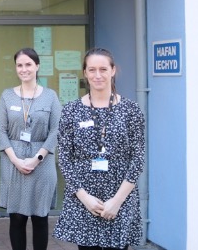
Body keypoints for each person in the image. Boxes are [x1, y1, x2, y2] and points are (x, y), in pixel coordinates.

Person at [53, 48, 146, 250]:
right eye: (92, 69)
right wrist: (84, 197)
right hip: (83, 198)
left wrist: (117, 201)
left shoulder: (131, 110)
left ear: (113, 70)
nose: (98, 75)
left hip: (120, 197)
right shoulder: (71, 111)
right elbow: (65, 159)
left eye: (103, 69)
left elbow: (138, 158)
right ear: (85, 73)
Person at [0, 48, 62, 250]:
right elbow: (1, 131)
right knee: (16, 218)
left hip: (42, 161)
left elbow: (56, 130)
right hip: (13, 161)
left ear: (37, 66)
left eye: (28, 64)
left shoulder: (50, 96)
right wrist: (16, 160)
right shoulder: (7, 96)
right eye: (19, 65)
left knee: (40, 218)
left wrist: (37, 158)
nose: (24, 69)